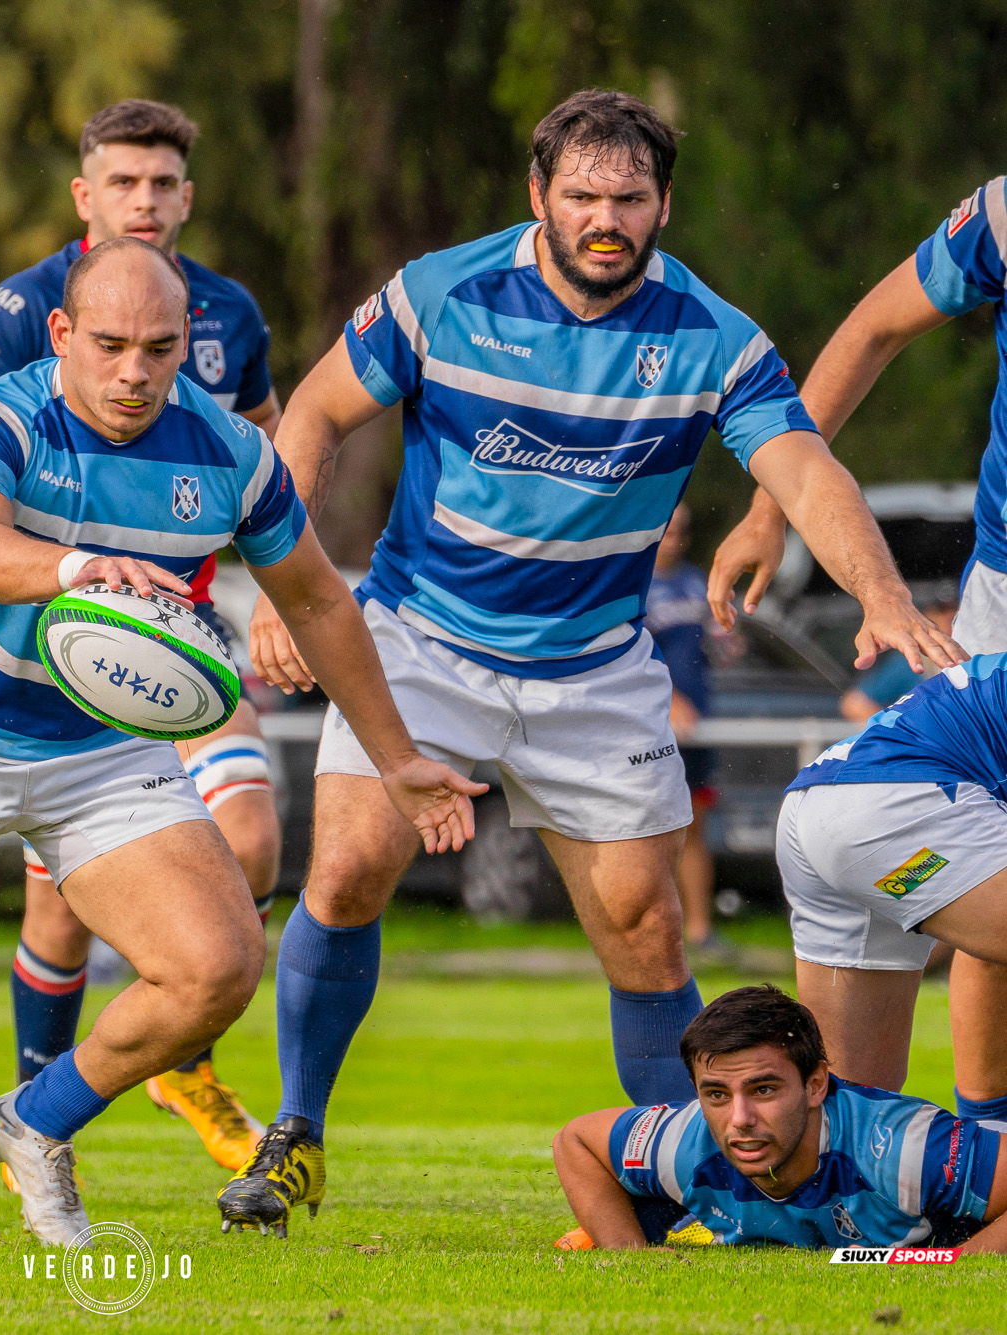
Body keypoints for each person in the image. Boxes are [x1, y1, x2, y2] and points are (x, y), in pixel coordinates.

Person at [221, 88, 962, 1238]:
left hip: (594, 669)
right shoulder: (441, 294)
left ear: (663, 202)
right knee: (353, 861)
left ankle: (696, 1192)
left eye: (628, 198)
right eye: (581, 198)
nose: (604, 220)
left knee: (646, 925)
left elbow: (805, 470)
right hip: (424, 640)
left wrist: (879, 596)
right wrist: (286, 580)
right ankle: (298, 1134)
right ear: (539, 198)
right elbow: (311, 424)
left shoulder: (711, 335)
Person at [0, 236, 483, 1248]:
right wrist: (74, 567)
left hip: (106, 751)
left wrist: (397, 756)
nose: (134, 371)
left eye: (159, 346)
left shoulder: (231, 453)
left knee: (217, 967)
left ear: (190, 340)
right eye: (108, 344)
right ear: (62, 334)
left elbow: (317, 601)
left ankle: (35, 1120)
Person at [0, 99, 286, 1172]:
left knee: (253, 837)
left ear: (188, 195)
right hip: (54, 648)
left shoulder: (228, 311)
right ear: (87, 195)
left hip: (183, 645)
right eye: (124, 182)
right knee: (64, 902)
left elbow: (262, 455)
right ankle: (39, 1108)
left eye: (164, 183)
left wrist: (265, 611)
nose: (145, 201)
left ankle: (182, 1054)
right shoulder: (24, 304)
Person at [710, 175, 1007, 1126]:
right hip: (998, 595)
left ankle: (969, 1170)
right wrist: (770, 506)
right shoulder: (1005, 213)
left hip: (830, 814)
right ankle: (990, 1153)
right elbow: (871, 329)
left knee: (846, 1144)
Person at [553, 985, 1007, 1251]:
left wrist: (961, 1263)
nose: (740, 1119)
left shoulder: (902, 1150)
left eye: (763, 1089)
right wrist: (625, 1256)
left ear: (815, 1085)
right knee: (654, 1216)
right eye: (715, 1093)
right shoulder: (682, 1143)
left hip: (951, 1202)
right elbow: (575, 1140)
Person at [777, 650, 1007, 1123]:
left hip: (820, 800)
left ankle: (696, 1182)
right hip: (896, 806)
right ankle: (993, 1155)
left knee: (848, 1109)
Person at [645, 502, 730, 954]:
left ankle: (699, 930)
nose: (674, 539)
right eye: (667, 530)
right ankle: (653, 931)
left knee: (695, 827)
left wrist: (729, 640)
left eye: (682, 530)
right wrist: (670, 698)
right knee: (649, 829)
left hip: (697, 730)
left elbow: (718, 644)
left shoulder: (697, 582)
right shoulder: (629, 584)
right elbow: (629, 656)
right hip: (647, 728)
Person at [841, 586, 960, 723]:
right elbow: (855, 703)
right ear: (926, 616)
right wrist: (900, 733)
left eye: (957, 610)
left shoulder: (980, 655)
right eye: (941, 611)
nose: (949, 617)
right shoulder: (910, 660)